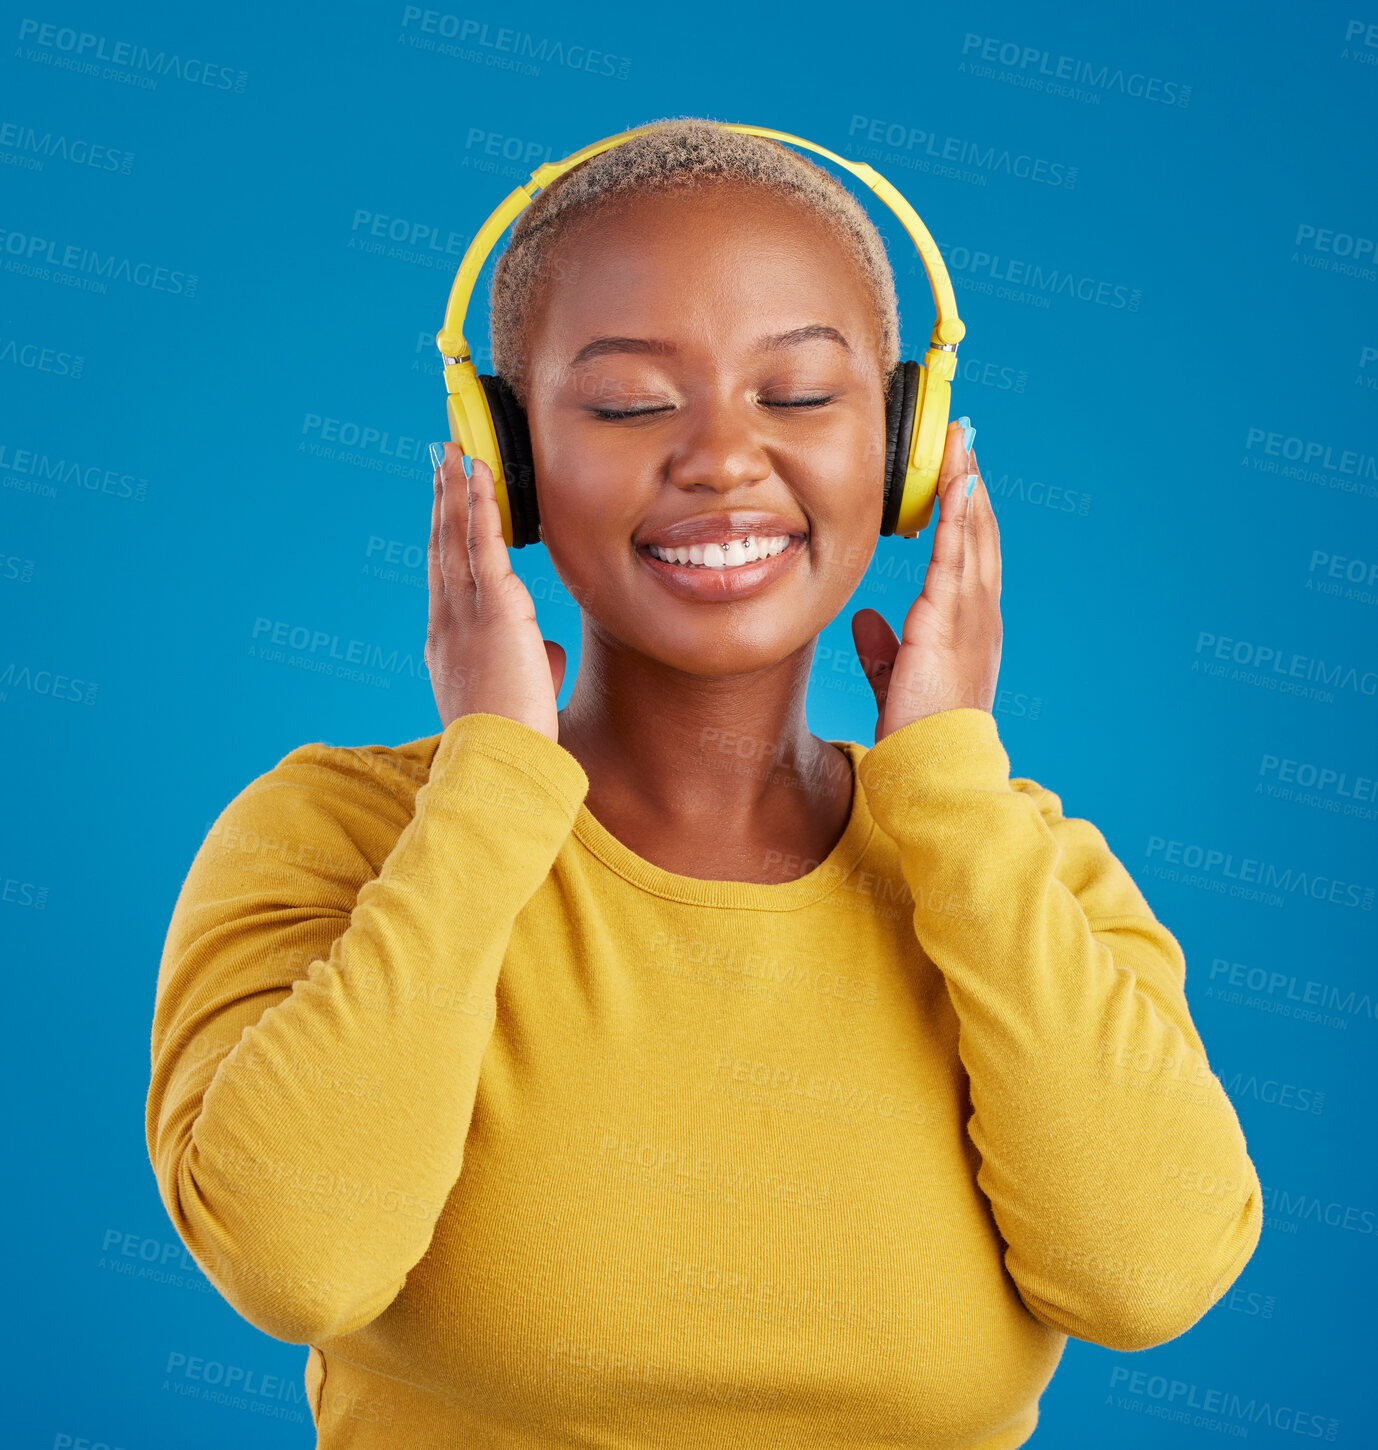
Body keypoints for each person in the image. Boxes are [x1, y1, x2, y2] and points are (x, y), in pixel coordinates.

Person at [146, 118, 1261, 1448]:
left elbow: (1146, 1278)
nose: (723, 460)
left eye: (796, 395)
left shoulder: (1024, 875)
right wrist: (494, 782)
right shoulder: (333, 839)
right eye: (627, 404)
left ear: (902, 446)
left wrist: (952, 793)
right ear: (503, 460)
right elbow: (297, 1260)